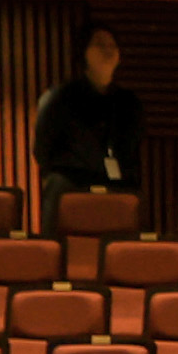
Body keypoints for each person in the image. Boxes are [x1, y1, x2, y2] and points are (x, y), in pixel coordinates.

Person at [31, 22, 143, 225]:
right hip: (70, 180)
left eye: (113, 46)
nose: (108, 50)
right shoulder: (60, 97)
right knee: (56, 187)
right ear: (84, 53)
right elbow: (42, 147)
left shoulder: (128, 102)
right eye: (100, 45)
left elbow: (131, 150)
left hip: (114, 180)